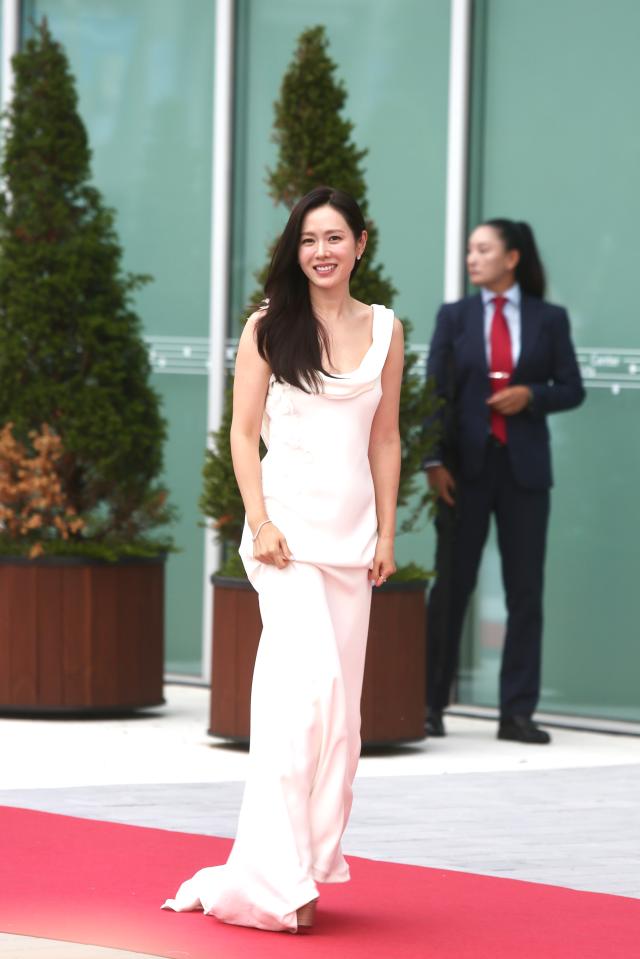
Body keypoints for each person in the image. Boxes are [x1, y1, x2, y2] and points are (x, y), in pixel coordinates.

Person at [162, 186, 403, 932]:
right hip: (286, 541)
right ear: (294, 250)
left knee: (338, 721)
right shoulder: (268, 327)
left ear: (361, 243)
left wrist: (389, 535)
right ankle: (273, 882)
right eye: (307, 240)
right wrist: (259, 520)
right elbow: (240, 433)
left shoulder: (388, 330)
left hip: (353, 545)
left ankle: (302, 864)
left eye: (334, 237)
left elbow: (385, 438)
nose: (321, 252)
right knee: (298, 704)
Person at [424, 219, 585, 744]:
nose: (473, 258)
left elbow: (572, 388)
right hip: (463, 473)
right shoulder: (455, 317)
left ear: (512, 257)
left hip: (524, 473)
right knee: (450, 588)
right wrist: (433, 463)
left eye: (483, 249)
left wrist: (531, 396)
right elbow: (434, 394)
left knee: (525, 593)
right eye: (470, 249)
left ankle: (516, 714)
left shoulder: (548, 319)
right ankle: (429, 706)